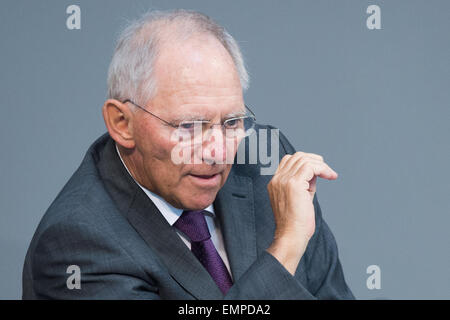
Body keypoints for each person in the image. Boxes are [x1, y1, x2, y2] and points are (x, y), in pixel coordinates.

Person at [22, 9, 354, 299]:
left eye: (232, 121)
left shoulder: (267, 162)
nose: (218, 152)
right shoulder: (77, 244)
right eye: (189, 126)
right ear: (122, 123)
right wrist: (285, 248)